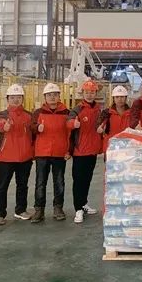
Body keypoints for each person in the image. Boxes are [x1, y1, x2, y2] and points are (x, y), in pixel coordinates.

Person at [0, 84, 34, 226]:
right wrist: (4, 127)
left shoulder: (29, 115)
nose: (16, 100)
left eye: (18, 97)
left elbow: (33, 133)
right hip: (6, 157)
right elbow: (0, 125)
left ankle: (21, 210)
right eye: (12, 98)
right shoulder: (2, 115)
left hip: (25, 157)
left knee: (22, 185)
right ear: (7, 99)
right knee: (2, 186)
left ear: (22, 98)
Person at [30, 83, 70, 224]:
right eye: (49, 95)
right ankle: (39, 210)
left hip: (59, 152)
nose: (52, 97)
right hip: (42, 153)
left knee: (59, 182)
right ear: (45, 97)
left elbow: (70, 133)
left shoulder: (66, 113)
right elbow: (31, 128)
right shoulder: (38, 113)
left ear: (59, 96)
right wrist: (37, 128)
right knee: (40, 182)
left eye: (55, 95)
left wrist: (69, 150)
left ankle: (58, 208)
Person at [66, 80, 103, 224]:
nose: (89, 94)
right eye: (87, 92)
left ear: (95, 93)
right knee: (79, 180)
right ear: (83, 93)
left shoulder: (99, 110)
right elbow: (68, 121)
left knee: (87, 179)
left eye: (92, 92)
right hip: (80, 151)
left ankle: (84, 203)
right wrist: (73, 124)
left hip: (92, 150)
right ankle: (78, 209)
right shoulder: (77, 109)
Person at [97, 85, 131, 152]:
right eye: (117, 97)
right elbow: (98, 125)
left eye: (122, 97)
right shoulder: (106, 113)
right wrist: (99, 128)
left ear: (126, 98)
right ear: (113, 98)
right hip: (110, 148)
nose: (119, 99)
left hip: (127, 148)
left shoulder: (132, 113)